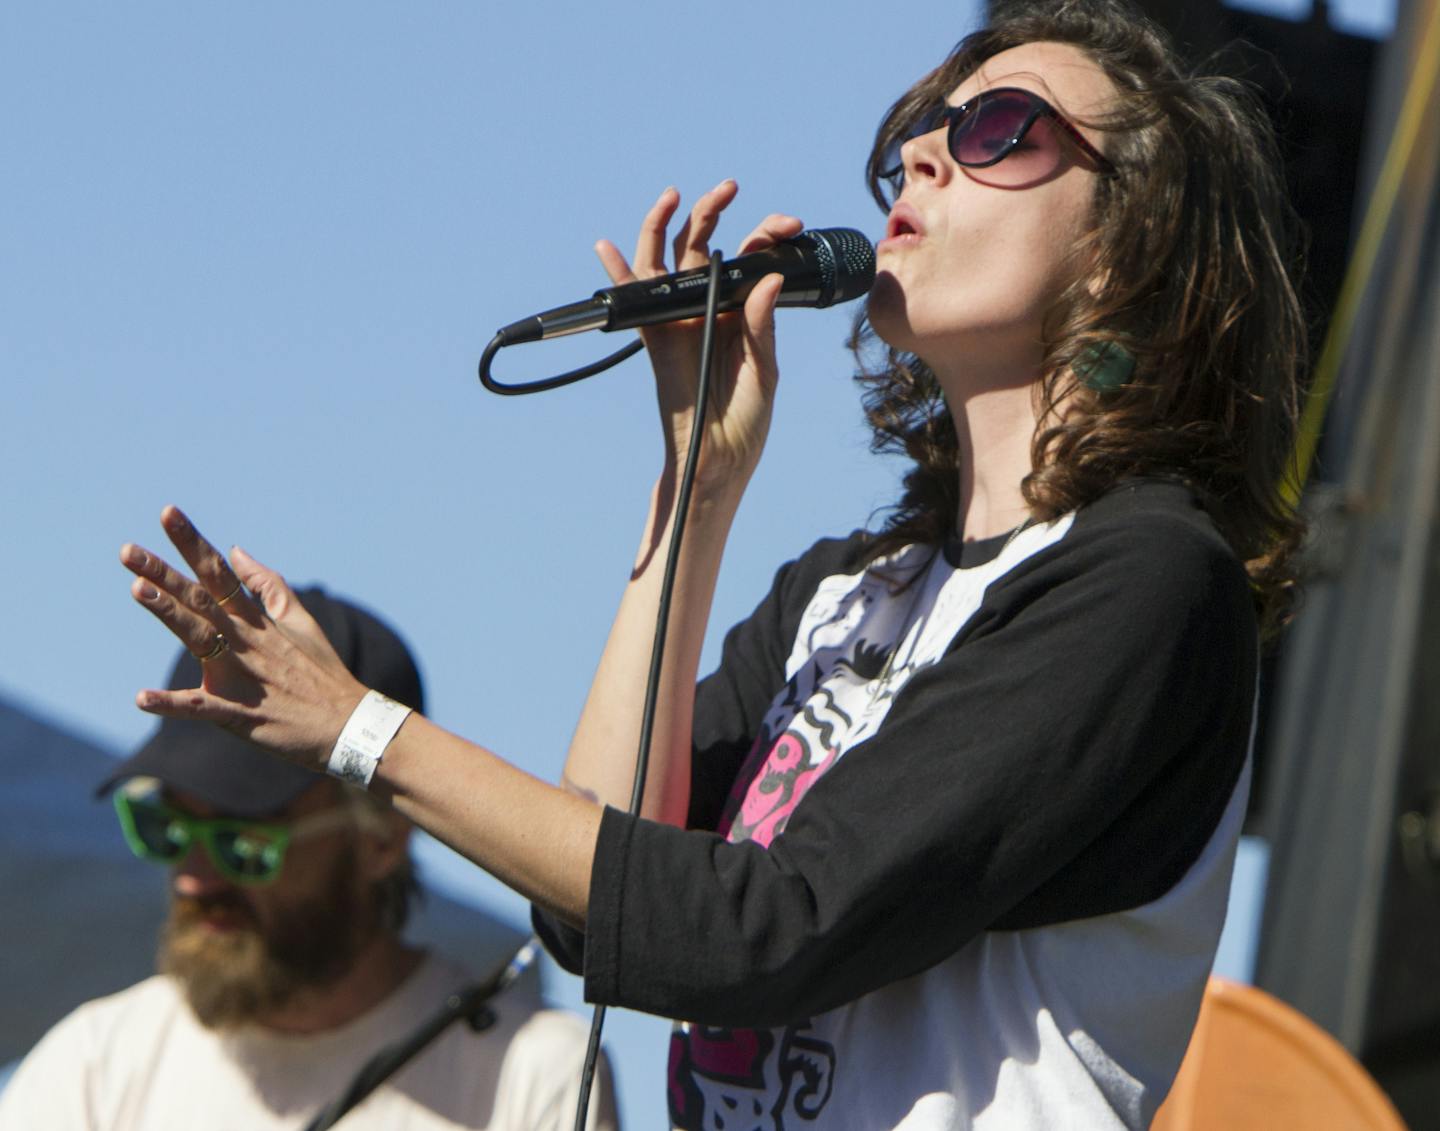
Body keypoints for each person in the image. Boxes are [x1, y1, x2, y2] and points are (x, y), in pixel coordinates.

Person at [110, 0, 1306, 1125]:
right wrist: (696, 490)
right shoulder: (849, 589)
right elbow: (592, 888)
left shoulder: (1146, 580)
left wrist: (358, 729)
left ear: (1131, 245)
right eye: (921, 130)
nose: (929, 156)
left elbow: (768, 932)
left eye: (999, 130)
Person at [0, 588, 617, 1131]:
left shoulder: (529, 1076)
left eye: (244, 844)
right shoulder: (91, 1068)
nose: (193, 876)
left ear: (381, 840)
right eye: (165, 828)